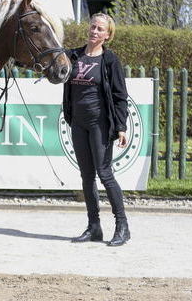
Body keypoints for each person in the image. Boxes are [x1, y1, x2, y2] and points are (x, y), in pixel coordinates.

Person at [63, 12, 130, 247]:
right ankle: (94, 227)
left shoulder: (110, 61)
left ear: (107, 35)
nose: (94, 31)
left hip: (100, 124)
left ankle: (122, 226)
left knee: (104, 173)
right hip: (78, 123)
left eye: (100, 29)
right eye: (93, 27)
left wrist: (121, 127)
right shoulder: (74, 55)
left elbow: (120, 96)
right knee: (86, 175)